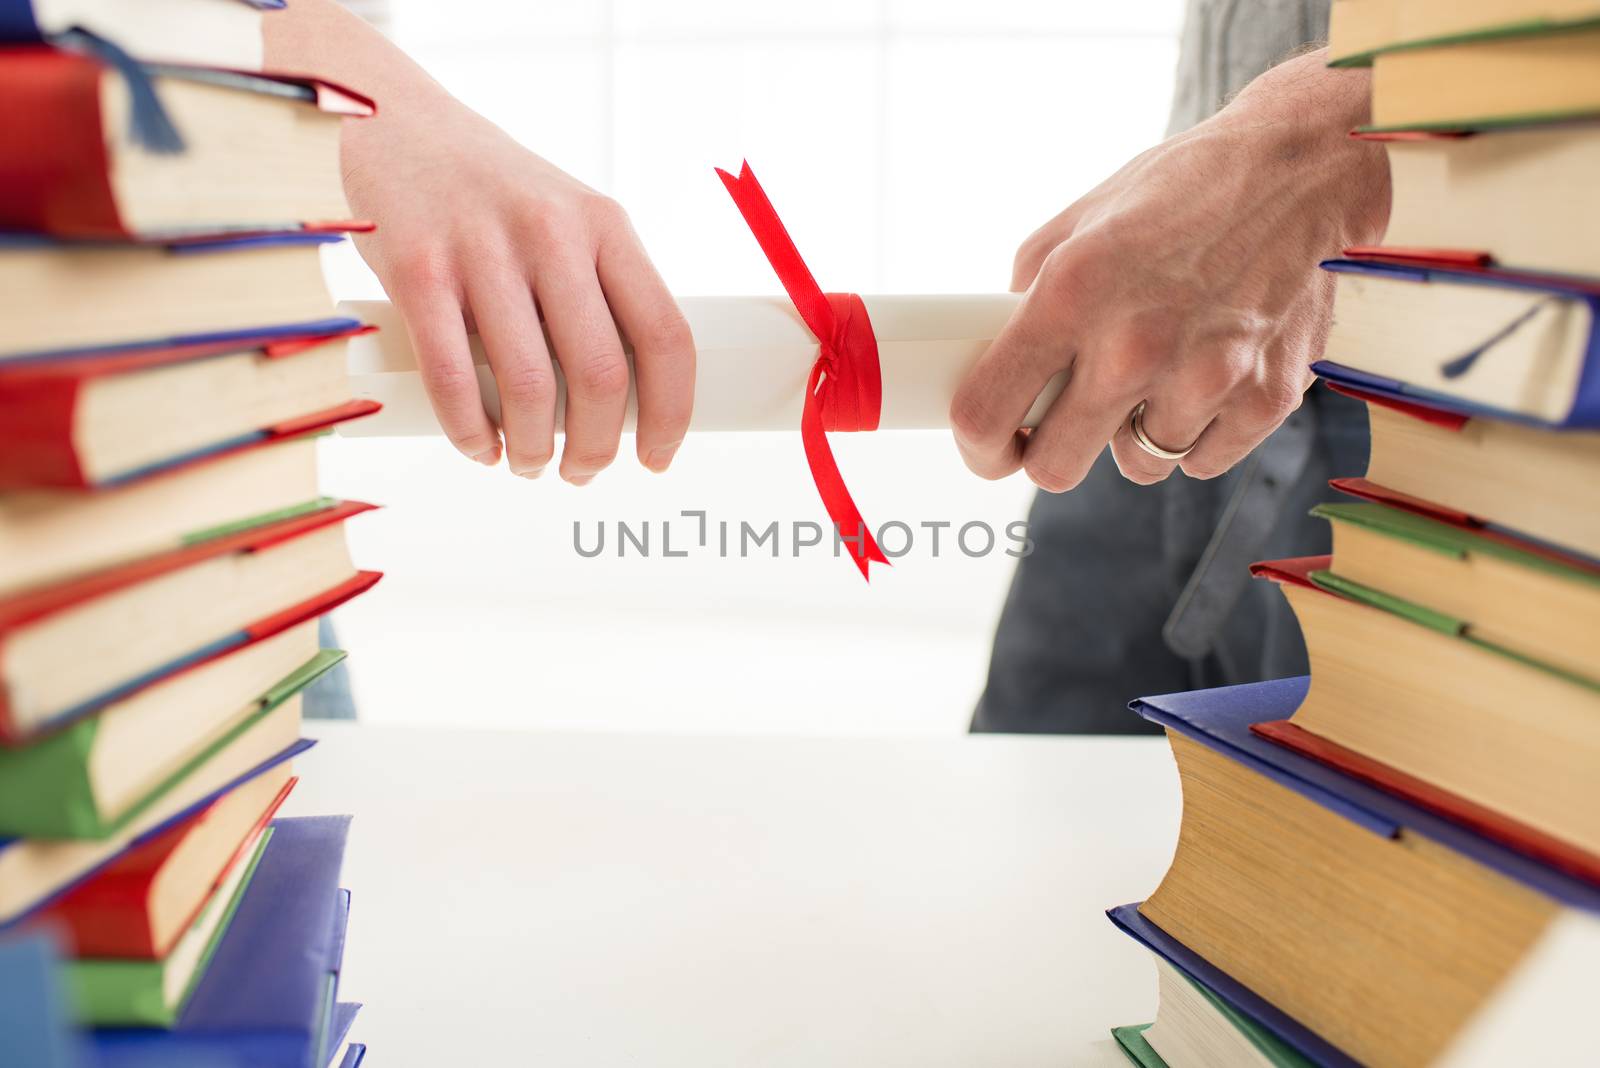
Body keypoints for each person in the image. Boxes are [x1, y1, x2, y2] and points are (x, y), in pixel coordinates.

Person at [962, 0, 1390, 733]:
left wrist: (1348, 122)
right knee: (1040, 810)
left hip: (1433, 396)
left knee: (1350, 837)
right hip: (1159, 348)